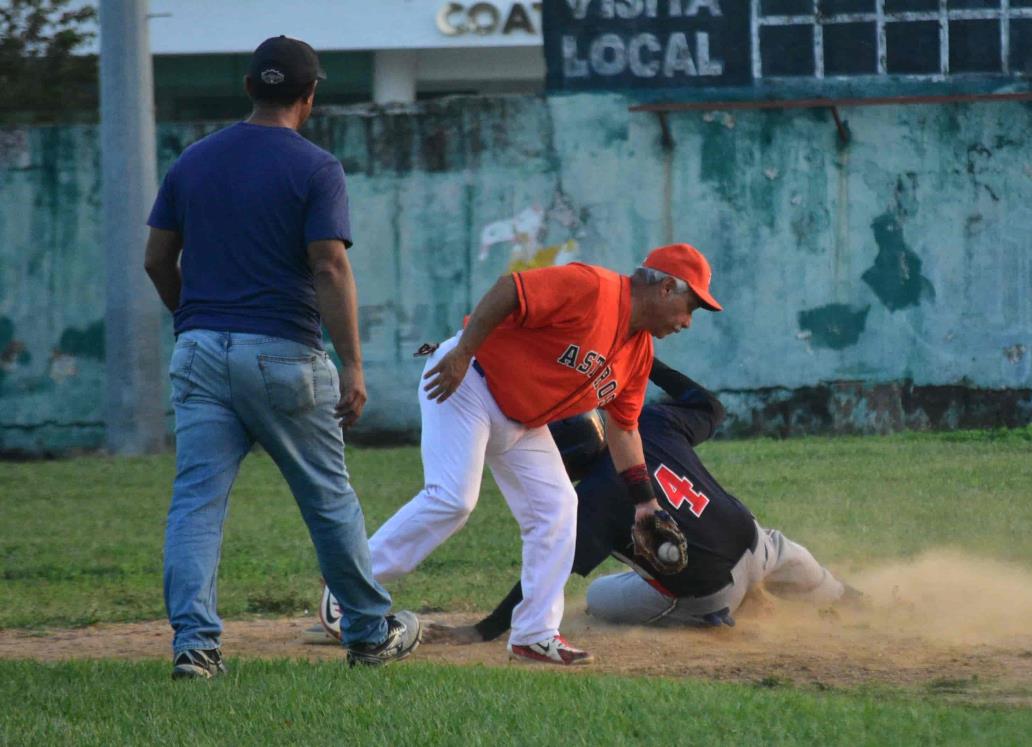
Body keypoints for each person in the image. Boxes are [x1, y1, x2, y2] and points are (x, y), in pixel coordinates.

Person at [143, 35, 420, 679]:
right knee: (328, 499)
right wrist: (352, 363)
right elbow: (329, 264)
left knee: (196, 504)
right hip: (284, 355)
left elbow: (157, 259)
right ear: (310, 96)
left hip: (200, 352)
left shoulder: (192, 161)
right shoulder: (315, 167)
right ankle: (369, 633)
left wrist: (193, 320)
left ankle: (195, 646)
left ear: (248, 88)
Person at [361, 244, 721, 666]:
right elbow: (509, 289)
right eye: (689, 306)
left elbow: (624, 428)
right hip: (469, 380)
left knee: (558, 506)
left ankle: (534, 634)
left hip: (521, 417)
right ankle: (352, 589)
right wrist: (462, 352)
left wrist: (645, 503)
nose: (687, 322)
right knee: (453, 498)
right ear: (665, 288)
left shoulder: (637, 354)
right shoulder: (594, 288)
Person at [429, 359, 858, 643]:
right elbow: (708, 405)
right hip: (755, 543)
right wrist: (643, 360)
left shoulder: (592, 499)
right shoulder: (649, 423)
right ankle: (841, 594)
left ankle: (728, 613)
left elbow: (546, 573)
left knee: (598, 596)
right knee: (777, 547)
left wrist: (485, 629)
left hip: (712, 596)